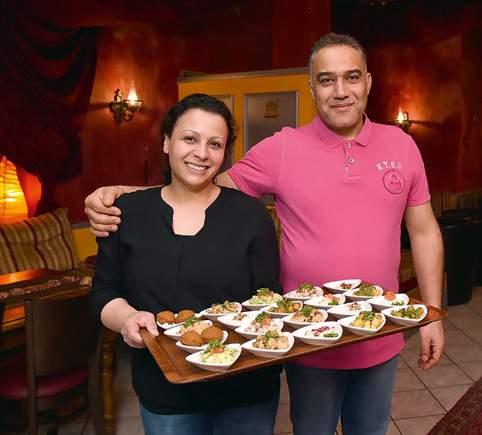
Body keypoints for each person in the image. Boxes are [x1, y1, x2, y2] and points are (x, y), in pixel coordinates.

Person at [86, 33, 445, 435]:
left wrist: (430, 314)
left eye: (352, 77)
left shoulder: (402, 145)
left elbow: (425, 230)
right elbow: (201, 182)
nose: (340, 91)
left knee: (372, 430)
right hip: (306, 337)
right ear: (312, 87)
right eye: (326, 80)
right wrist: (125, 196)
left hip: (381, 330)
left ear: (369, 82)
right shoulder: (282, 148)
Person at [90, 93, 282, 435]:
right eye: (189, 139)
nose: (202, 153)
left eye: (215, 144)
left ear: (224, 153)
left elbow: (268, 299)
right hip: (166, 391)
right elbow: (105, 292)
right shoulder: (127, 213)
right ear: (166, 142)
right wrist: (128, 319)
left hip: (245, 389)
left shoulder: (252, 215)